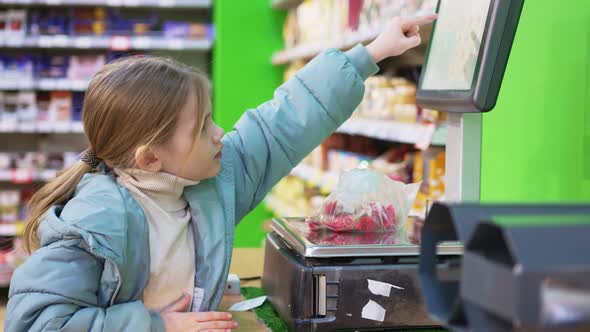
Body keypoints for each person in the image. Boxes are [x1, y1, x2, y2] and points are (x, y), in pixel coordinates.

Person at [6, 14, 436, 332]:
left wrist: (371, 53)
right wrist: (160, 326)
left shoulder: (211, 183)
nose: (220, 132)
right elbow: (36, 323)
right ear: (151, 159)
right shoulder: (94, 225)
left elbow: (281, 122)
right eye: (202, 127)